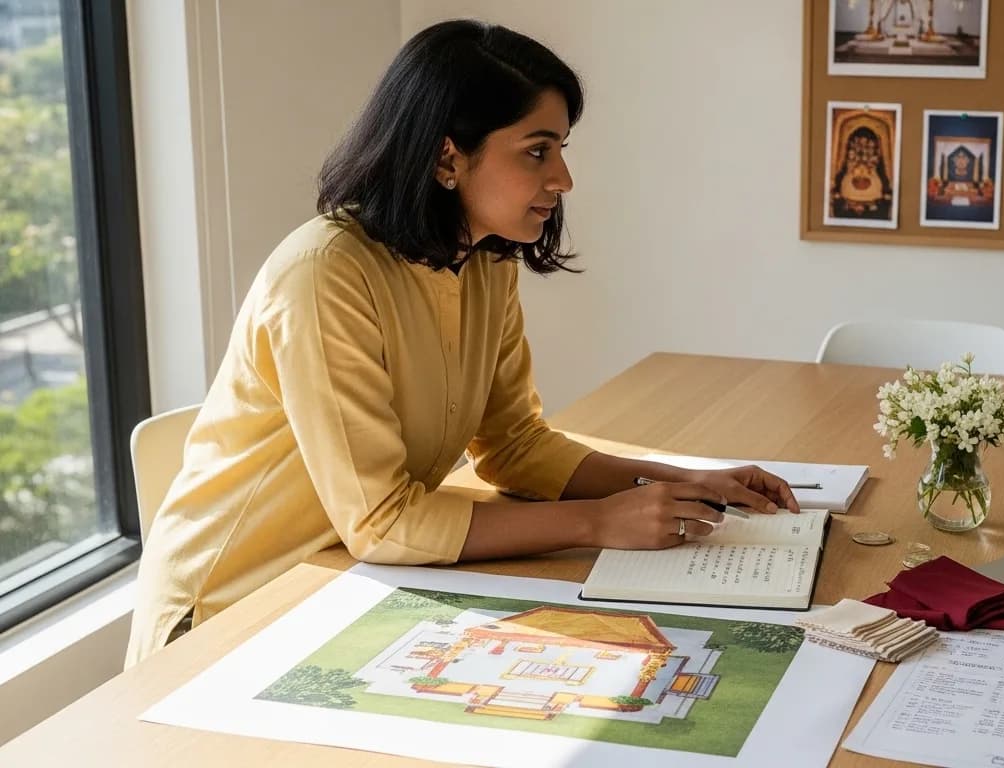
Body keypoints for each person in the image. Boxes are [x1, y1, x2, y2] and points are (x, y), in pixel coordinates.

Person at [125, 19, 798, 666]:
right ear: (448, 156)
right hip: (232, 611)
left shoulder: (486, 262)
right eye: (538, 150)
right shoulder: (325, 275)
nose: (562, 178)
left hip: (349, 586)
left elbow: (514, 446)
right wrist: (600, 521)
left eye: (562, 148)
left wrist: (690, 482)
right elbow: (383, 523)